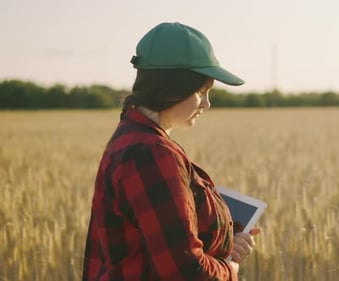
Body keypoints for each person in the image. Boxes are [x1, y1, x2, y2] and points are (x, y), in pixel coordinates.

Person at [82, 22, 261, 281]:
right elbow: (184, 271)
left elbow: (157, 245)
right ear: (173, 86)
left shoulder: (136, 138)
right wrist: (229, 271)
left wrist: (224, 246)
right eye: (202, 91)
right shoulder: (151, 153)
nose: (207, 104)